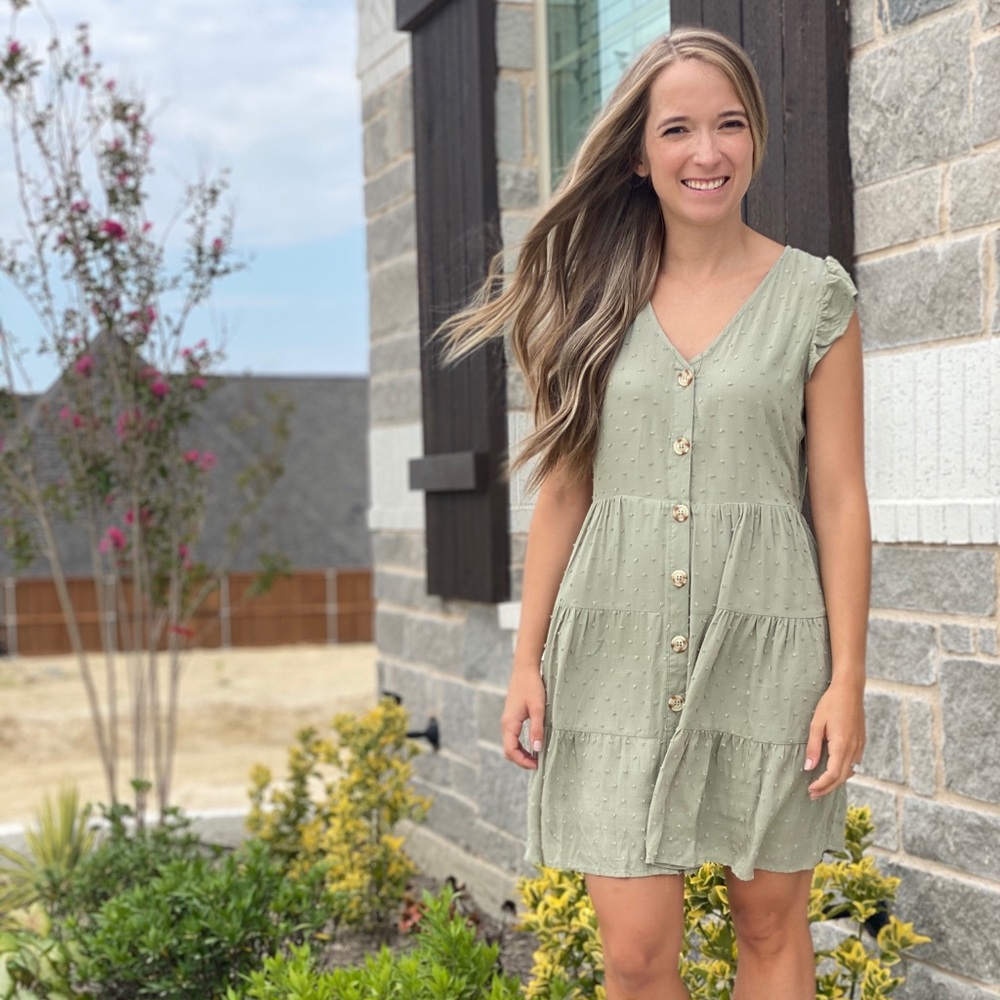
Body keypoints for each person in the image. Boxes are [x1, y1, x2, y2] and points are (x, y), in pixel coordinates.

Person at [442, 25, 870, 1000]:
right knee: (635, 954)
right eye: (677, 129)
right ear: (638, 154)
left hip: (769, 645)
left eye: (728, 125)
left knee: (770, 928)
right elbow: (563, 488)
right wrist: (525, 660)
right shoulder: (589, 295)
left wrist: (846, 677)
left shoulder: (816, 297)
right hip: (611, 651)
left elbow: (839, 499)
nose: (706, 151)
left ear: (755, 138)